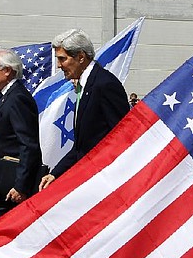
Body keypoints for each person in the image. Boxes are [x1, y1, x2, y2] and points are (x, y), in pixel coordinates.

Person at [39, 29, 130, 190]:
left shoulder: (104, 84)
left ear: (81, 57)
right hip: (88, 177)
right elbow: (81, 145)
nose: (59, 65)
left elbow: (122, 136)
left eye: (62, 59)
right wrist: (55, 173)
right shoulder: (84, 85)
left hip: (104, 181)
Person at [0, 48, 42, 225]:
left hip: (11, 187)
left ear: (7, 70)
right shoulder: (3, 98)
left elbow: (28, 145)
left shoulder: (17, 98)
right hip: (1, 184)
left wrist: (20, 185)